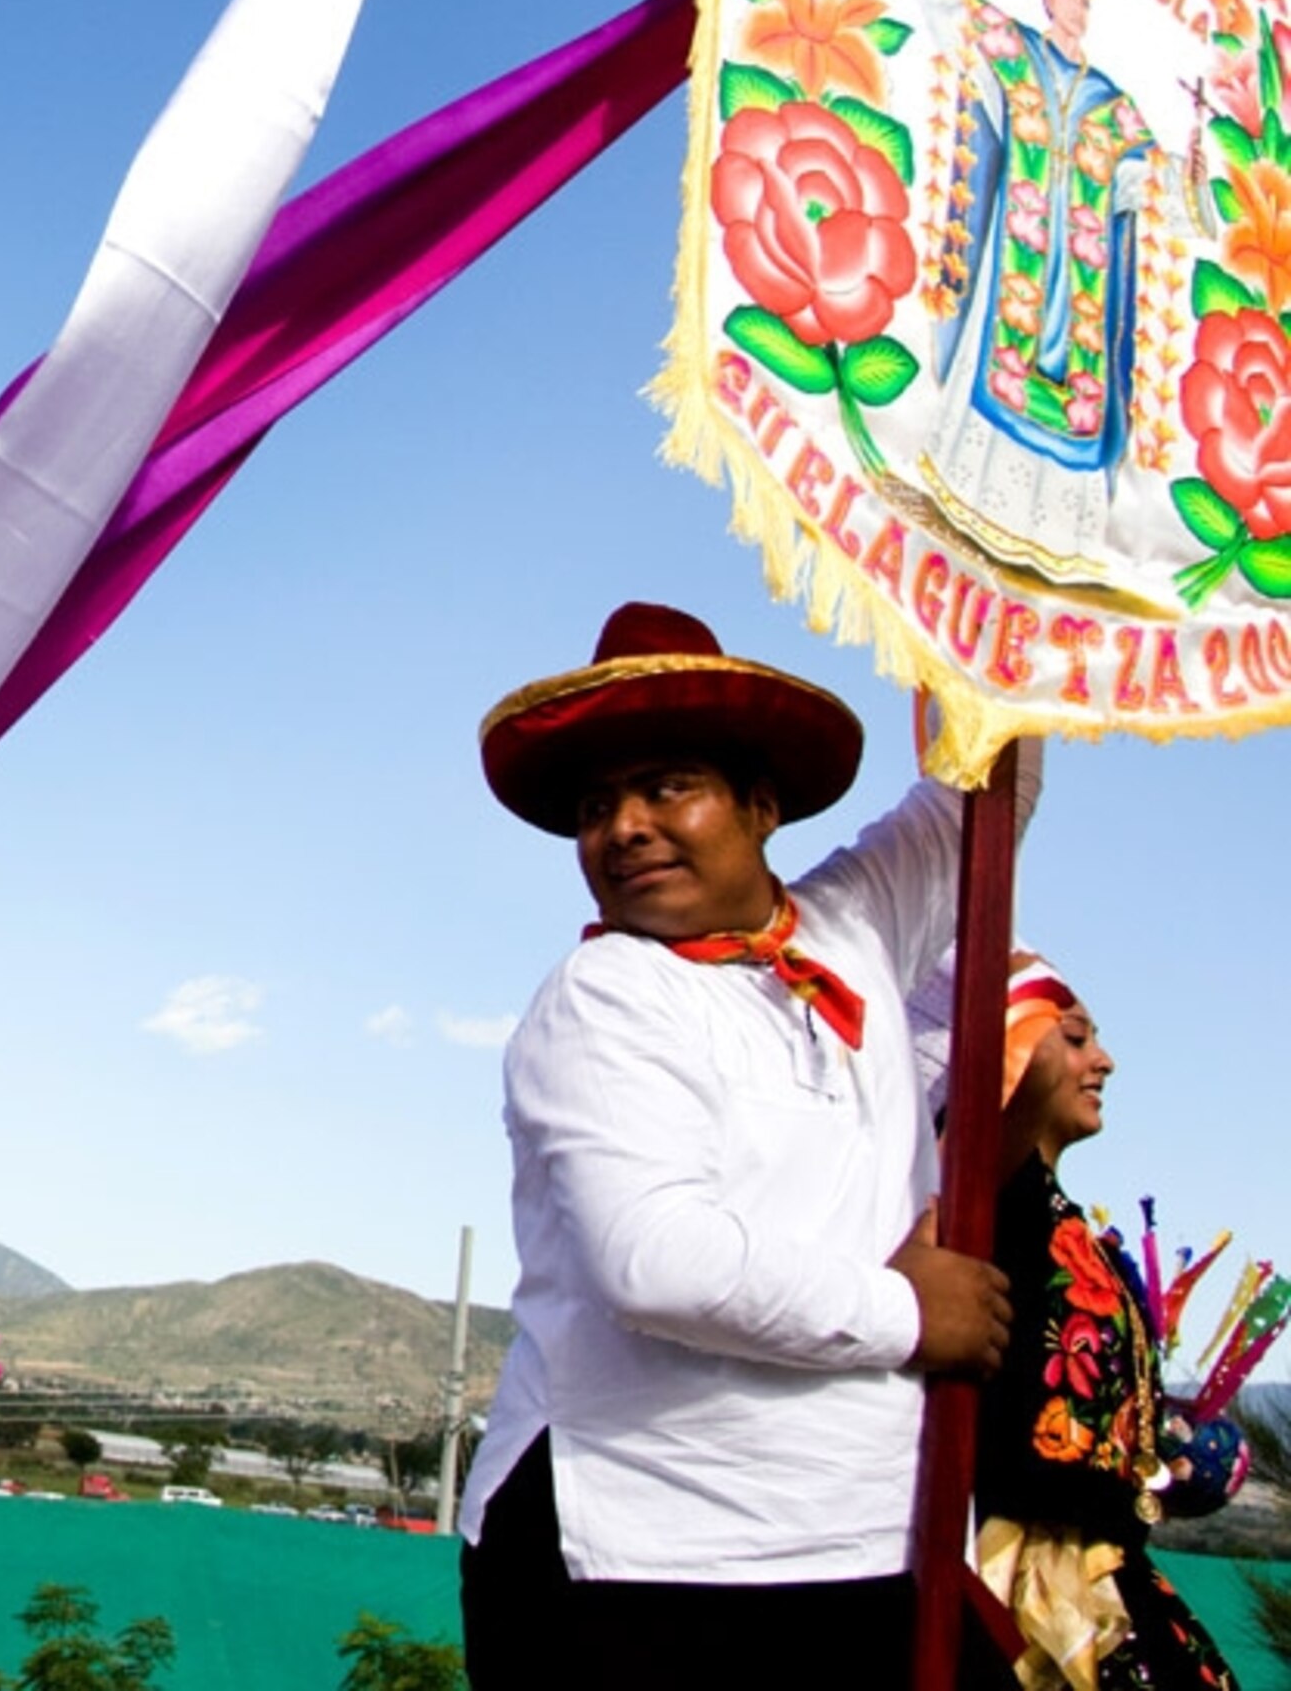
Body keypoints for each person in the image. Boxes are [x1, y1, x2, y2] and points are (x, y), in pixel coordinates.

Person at [456, 601, 1034, 1691]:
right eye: (595, 805)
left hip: (871, 1539)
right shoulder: (607, 991)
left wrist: (1000, 593)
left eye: (668, 783)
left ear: (761, 805)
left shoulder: (852, 925)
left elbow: (990, 790)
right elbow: (659, 1261)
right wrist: (914, 1311)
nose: (623, 825)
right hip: (647, 1558)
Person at [962, 957, 1241, 1691]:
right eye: (1077, 1038)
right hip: (1031, 1587)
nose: (1105, 1061)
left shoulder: (1074, 1233)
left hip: (1107, 1567)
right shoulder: (986, 1208)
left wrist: (1162, 1458)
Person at [903, 0, 1161, 574]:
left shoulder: (1110, 101)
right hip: (1018, 254)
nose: (1077, 7)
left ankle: (1064, 538)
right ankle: (973, 491)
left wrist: (1193, 180)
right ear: (1049, 0)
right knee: (1000, 359)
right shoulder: (1017, 54)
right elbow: (954, 33)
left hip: (1080, 283)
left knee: (1079, 395)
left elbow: (1143, 184)